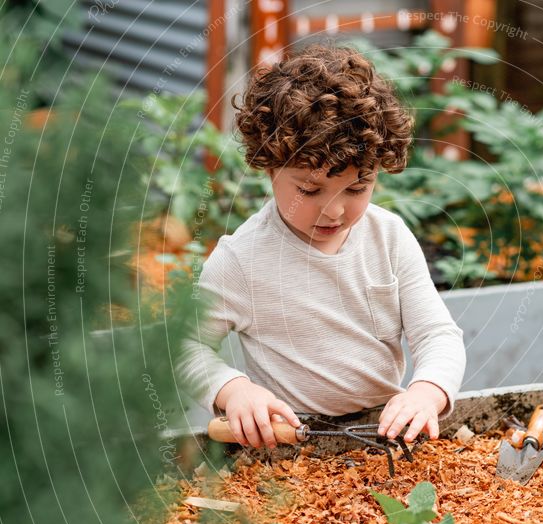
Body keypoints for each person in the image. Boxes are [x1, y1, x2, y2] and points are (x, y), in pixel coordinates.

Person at [178, 43, 466, 451]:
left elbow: (437, 334)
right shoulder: (242, 260)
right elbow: (184, 345)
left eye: (357, 188)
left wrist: (427, 391)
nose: (333, 211)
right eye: (310, 190)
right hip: (290, 445)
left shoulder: (389, 237)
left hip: (383, 438)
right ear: (269, 167)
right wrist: (233, 390)